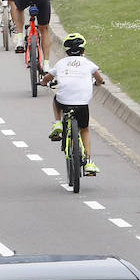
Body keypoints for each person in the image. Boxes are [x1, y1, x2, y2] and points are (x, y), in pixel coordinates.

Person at [44, 33, 106, 176]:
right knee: (84, 129)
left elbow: (48, 77)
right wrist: (98, 82)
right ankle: (89, 162)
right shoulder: (88, 63)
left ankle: (58, 123)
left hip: (64, 101)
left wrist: (42, 82)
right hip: (83, 103)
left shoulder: (61, 63)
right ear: (83, 51)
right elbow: (99, 78)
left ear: (66, 52)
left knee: (56, 100)